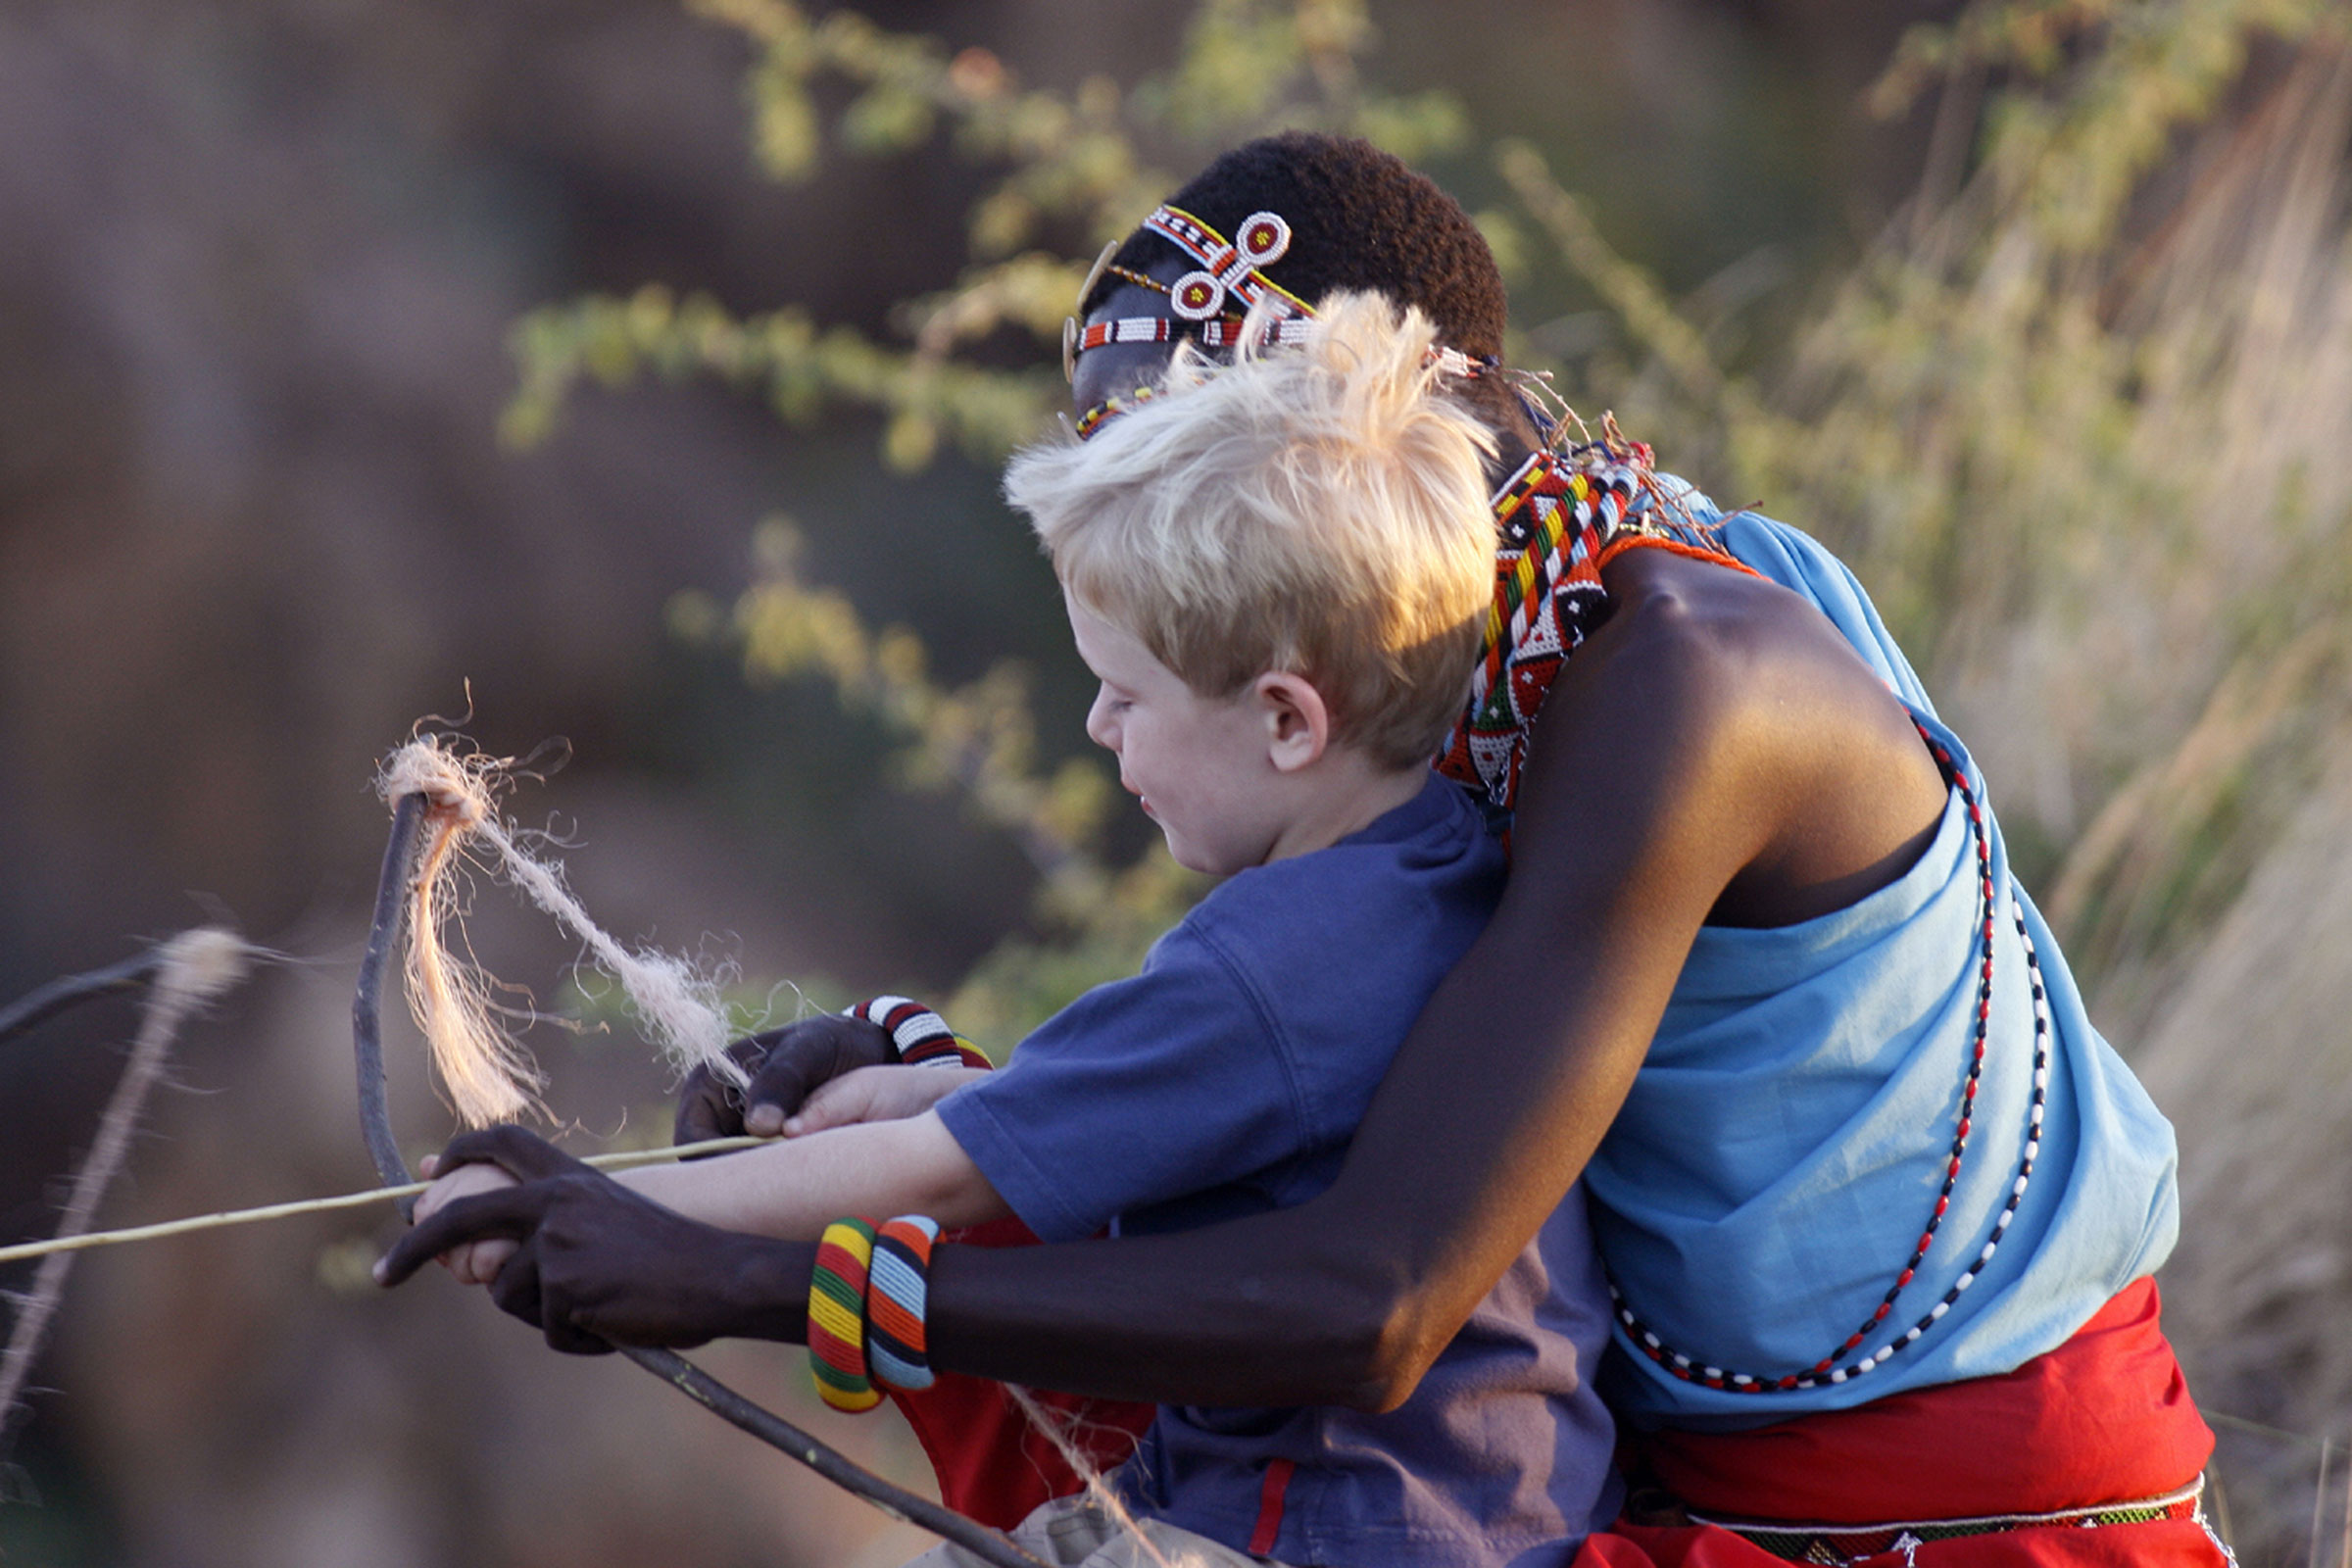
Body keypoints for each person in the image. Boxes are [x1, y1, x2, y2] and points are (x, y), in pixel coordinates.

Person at [384, 134, 2226, 1567]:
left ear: (1356, 439)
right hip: (1640, 1455)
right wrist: (944, 1094)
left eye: (1190, 474)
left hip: (1971, 1525)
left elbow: (1379, 1297)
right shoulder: (1459, 648)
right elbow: (1359, 1107)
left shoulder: (1681, 683)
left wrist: (757, 1283)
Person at [396, 292, 1623, 1568]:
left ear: (1286, 722)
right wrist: (928, 1090)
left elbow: (939, 1173)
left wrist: (607, 1209)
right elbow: (1034, 1130)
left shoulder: (1266, 967)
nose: (1098, 730)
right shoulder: (1448, 864)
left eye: (1125, 692)